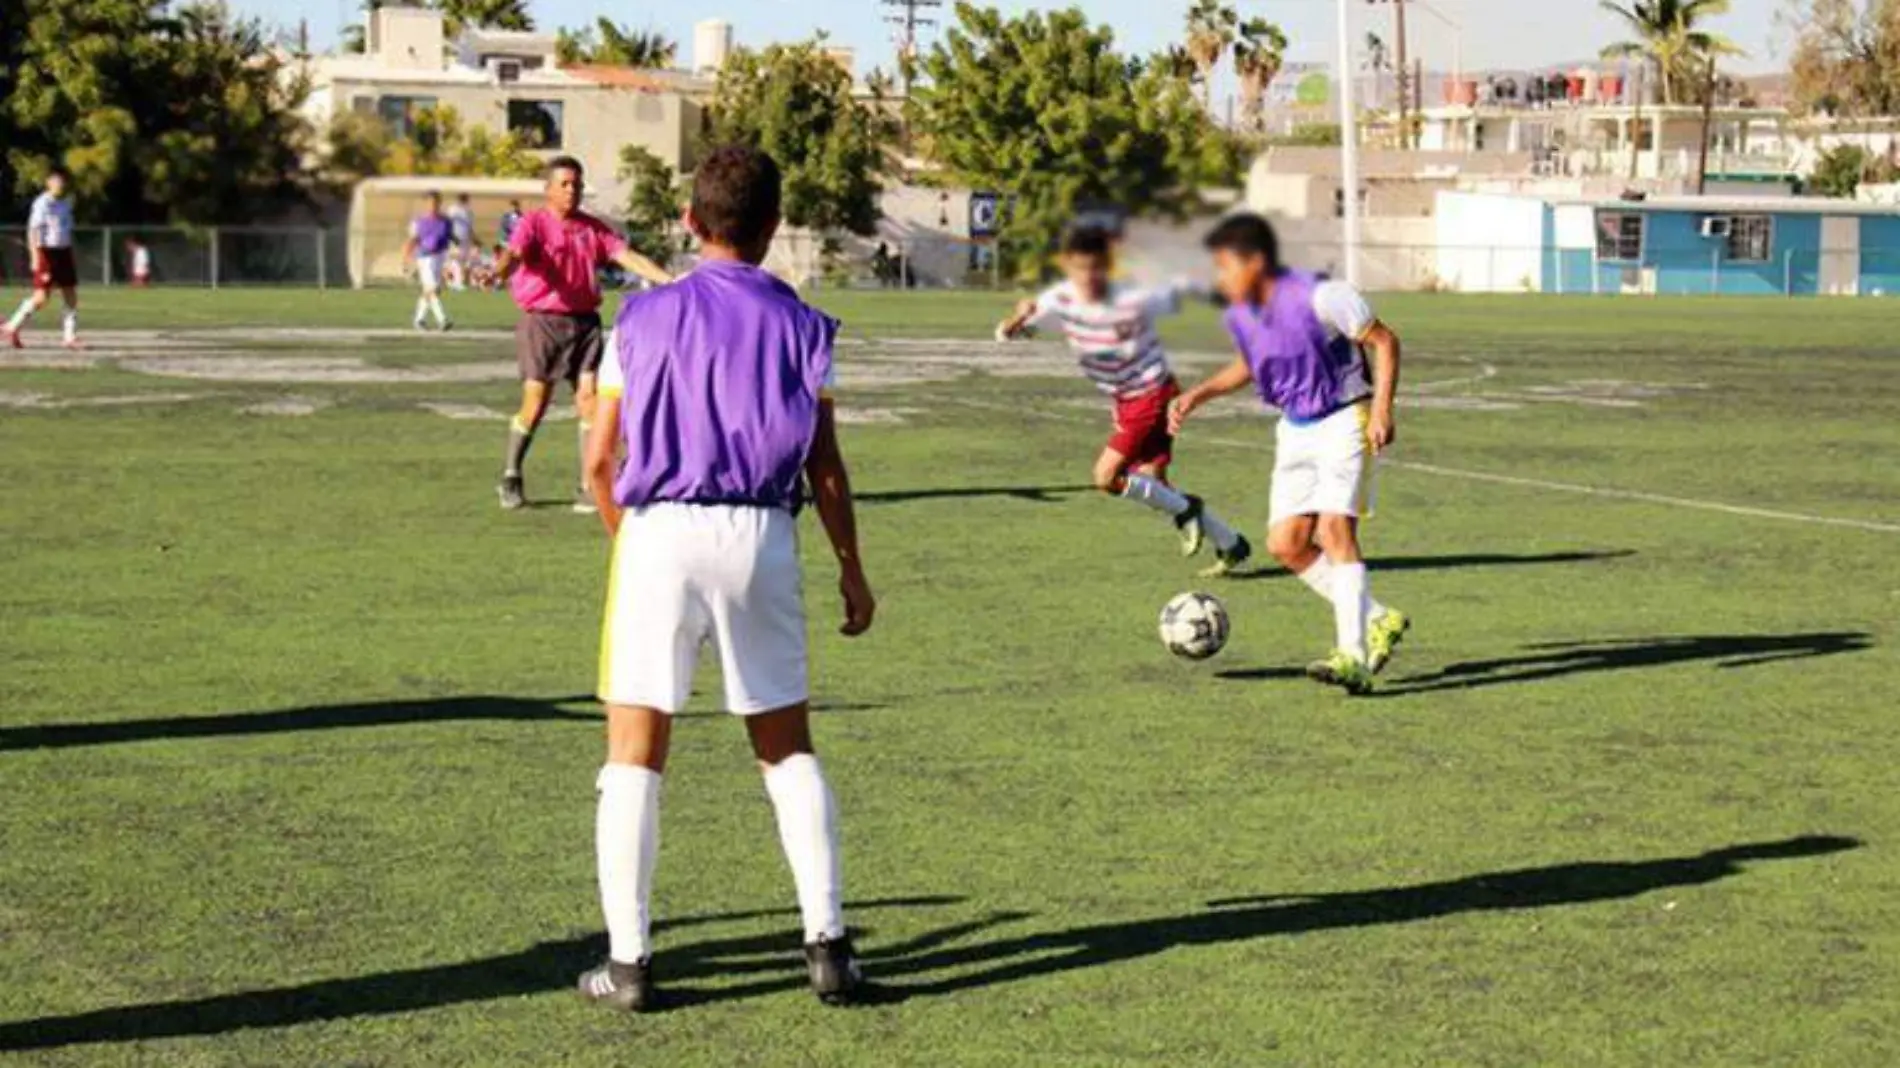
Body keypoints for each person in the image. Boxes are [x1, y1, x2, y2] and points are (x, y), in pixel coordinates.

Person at [577, 144, 876, 1011]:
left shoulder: (639, 320)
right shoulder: (807, 326)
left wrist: (629, 546)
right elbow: (826, 468)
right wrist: (852, 569)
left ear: (689, 222)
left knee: (634, 758)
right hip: (762, 535)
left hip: (659, 533)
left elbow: (601, 460)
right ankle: (827, 949)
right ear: (773, 229)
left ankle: (628, 965)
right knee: (786, 750)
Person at [1169, 214, 1410, 695]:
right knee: (1286, 544)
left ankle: (1353, 658)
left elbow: (1384, 341)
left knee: (1334, 529)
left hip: (1346, 417)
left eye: (1226, 266)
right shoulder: (1240, 313)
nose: (1220, 278)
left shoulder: (1322, 295)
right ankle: (1379, 619)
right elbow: (1251, 362)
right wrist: (1199, 394)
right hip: (1295, 428)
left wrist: (1382, 407)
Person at [995, 225, 1252, 576]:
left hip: (1151, 394)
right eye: (1081, 268)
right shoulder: (1060, 299)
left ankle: (1187, 511)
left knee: (1106, 477)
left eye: (1096, 267)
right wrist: (1019, 316)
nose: (1089, 276)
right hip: (1128, 399)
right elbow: (1007, 334)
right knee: (1155, 484)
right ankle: (1230, 542)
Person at [491, 156, 671, 513]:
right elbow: (513, 255)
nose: (572, 190)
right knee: (535, 403)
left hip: (585, 323)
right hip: (542, 322)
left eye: (576, 184)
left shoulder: (592, 228)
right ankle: (511, 475)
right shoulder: (534, 223)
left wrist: (670, 282)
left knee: (590, 400)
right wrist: (497, 272)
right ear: (548, 190)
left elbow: (626, 255)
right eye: (564, 184)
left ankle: (588, 484)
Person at [2, 170, 83, 351]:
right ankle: (11, 326)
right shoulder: (42, 203)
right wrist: (35, 256)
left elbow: (66, 230)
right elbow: (33, 230)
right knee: (41, 298)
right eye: (56, 181)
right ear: (48, 183)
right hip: (46, 252)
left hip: (64, 252)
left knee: (70, 294)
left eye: (62, 181)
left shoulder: (66, 204)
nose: (60, 184)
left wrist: (71, 250)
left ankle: (70, 337)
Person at [399, 191, 454, 332]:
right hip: (425, 258)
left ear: (440, 203)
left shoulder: (446, 221)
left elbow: (449, 240)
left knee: (430, 290)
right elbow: (412, 241)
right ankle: (442, 319)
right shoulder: (419, 222)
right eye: (430, 202)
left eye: (436, 202)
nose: (433, 206)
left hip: (440, 256)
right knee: (432, 288)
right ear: (426, 204)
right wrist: (405, 259)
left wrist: (449, 263)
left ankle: (419, 319)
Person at [446, 193, 476, 290]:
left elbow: (470, 227)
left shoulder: (469, 212)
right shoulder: (453, 210)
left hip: (466, 239)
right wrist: (452, 237)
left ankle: (453, 282)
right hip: (455, 239)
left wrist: (474, 239)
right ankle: (457, 282)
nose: (464, 201)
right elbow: (448, 224)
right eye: (463, 199)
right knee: (456, 259)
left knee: (464, 261)